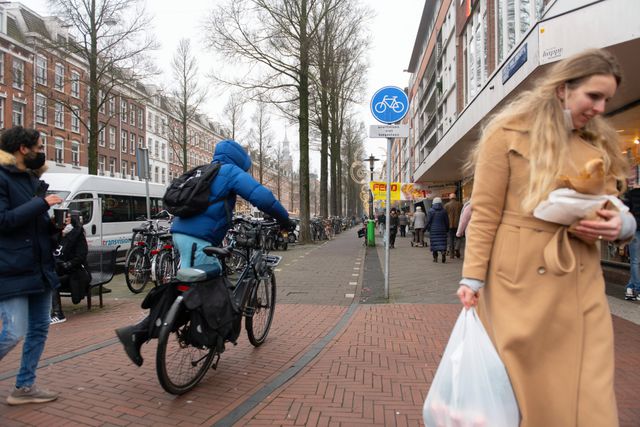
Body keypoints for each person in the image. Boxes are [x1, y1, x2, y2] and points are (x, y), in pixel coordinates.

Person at [456, 49, 636, 426]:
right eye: (593, 96)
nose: (600, 108)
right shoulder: (506, 133)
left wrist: (623, 226)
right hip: (518, 282)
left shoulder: (598, 145)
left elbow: (612, 204)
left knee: (592, 390)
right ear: (562, 89)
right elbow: (485, 212)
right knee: (533, 394)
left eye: (607, 99)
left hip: (581, 274)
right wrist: (472, 277)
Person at [115, 139, 294, 367]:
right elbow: (262, 197)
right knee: (209, 291)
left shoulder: (204, 171)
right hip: (199, 239)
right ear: (241, 161)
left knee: (193, 288)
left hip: (181, 234)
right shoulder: (229, 172)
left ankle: (142, 332)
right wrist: (285, 220)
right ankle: (197, 337)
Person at [0, 126, 63, 405]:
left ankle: (24, 387)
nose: (41, 153)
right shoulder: (2, 177)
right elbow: (4, 222)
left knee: (39, 328)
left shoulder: (31, 180)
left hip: (39, 267)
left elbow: (32, 226)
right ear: (23, 149)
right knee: (14, 331)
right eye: (38, 147)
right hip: (11, 267)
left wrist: (55, 229)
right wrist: (40, 204)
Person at [51, 212, 89, 324]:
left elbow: (80, 256)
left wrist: (66, 264)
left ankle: (58, 313)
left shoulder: (77, 235)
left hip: (75, 273)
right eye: (62, 220)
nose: (64, 222)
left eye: (67, 220)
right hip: (58, 270)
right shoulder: (57, 235)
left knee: (51, 280)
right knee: (45, 277)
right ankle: (45, 313)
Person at [624, 187, 640, 300]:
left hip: (633, 230)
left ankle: (630, 288)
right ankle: (638, 290)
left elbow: (626, 212)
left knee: (635, 261)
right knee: (636, 261)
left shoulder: (630, 194)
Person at [426, 197, 449, 263]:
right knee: (442, 243)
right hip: (442, 229)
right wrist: (447, 229)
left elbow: (428, 221)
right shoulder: (444, 211)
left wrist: (426, 228)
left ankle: (435, 258)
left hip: (433, 230)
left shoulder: (431, 211)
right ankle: (443, 252)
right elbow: (446, 221)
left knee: (434, 244)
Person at [444, 192, 463, 258]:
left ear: (450, 198)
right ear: (455, 198)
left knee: (450, 239)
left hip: (450, 225)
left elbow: (445, 216)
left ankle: (451, 255)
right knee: (459, 237)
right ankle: (457, 248)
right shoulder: (460, 205)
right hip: (458, 224)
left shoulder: (446, 205)